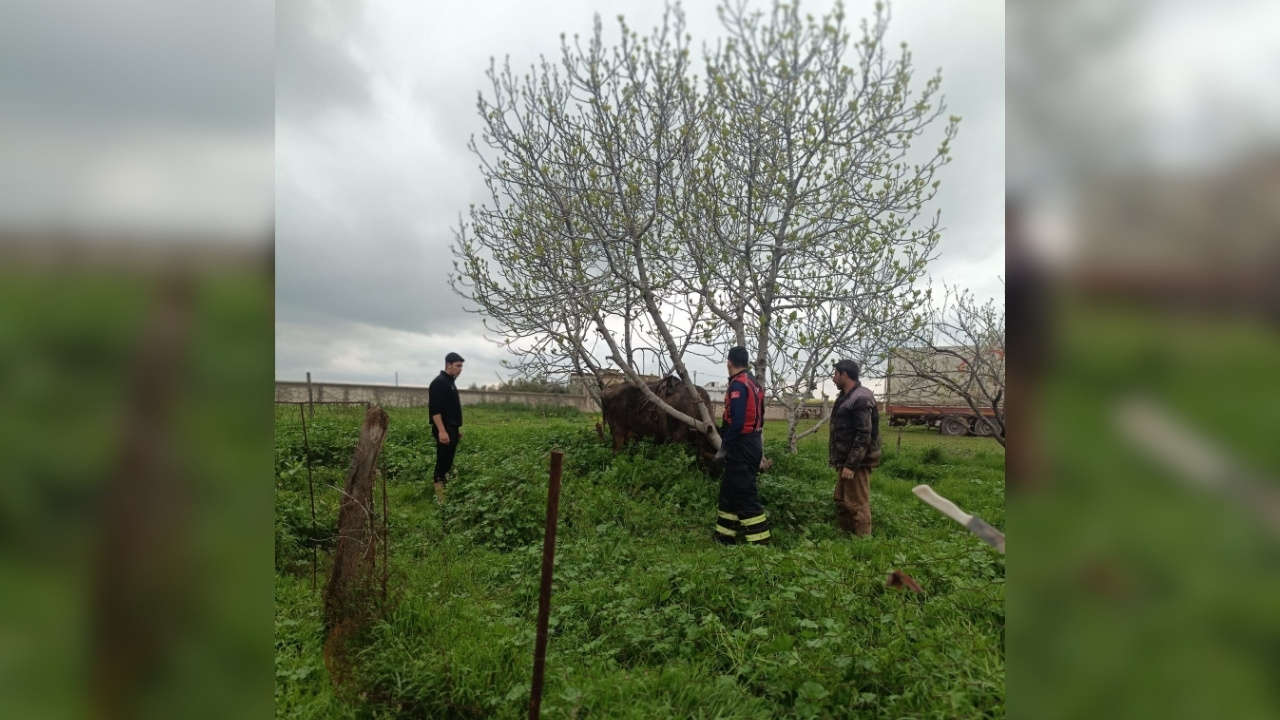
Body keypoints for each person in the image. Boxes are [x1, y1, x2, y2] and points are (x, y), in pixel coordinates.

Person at [713, 346, 771, 545]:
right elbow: (760, 417)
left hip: (742, 444)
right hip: (752, 441)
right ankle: (724, 537)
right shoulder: (754, 383)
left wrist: (724, 448)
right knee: (729, 491)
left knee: (745, 493)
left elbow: (737, 422)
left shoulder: (738, 386)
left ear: (729, 362)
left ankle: (760, 541)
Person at [828, 359, 881, 535]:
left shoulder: (861, 398)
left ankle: (863, 545)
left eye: (836, 374)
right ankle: (846, 536)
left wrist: (851, 465)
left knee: (857, 503)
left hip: (857, 461)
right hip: (847, 459)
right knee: (842, 499)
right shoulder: (846, 397)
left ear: (844, 374)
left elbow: (863, 434)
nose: (833, 379)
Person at [428, 352, 465, 503]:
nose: (460, 369)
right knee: (443, 461)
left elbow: (449, 409)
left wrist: (455, 429)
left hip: (451, 428)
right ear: (448, 365)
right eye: (457, 366)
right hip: (444, 429)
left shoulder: (450, 382)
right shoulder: (440, 382)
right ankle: (440, 497)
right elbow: (435, 410)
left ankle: (445, 488)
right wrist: (442, 430)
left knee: (448, 460)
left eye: (461, 366)